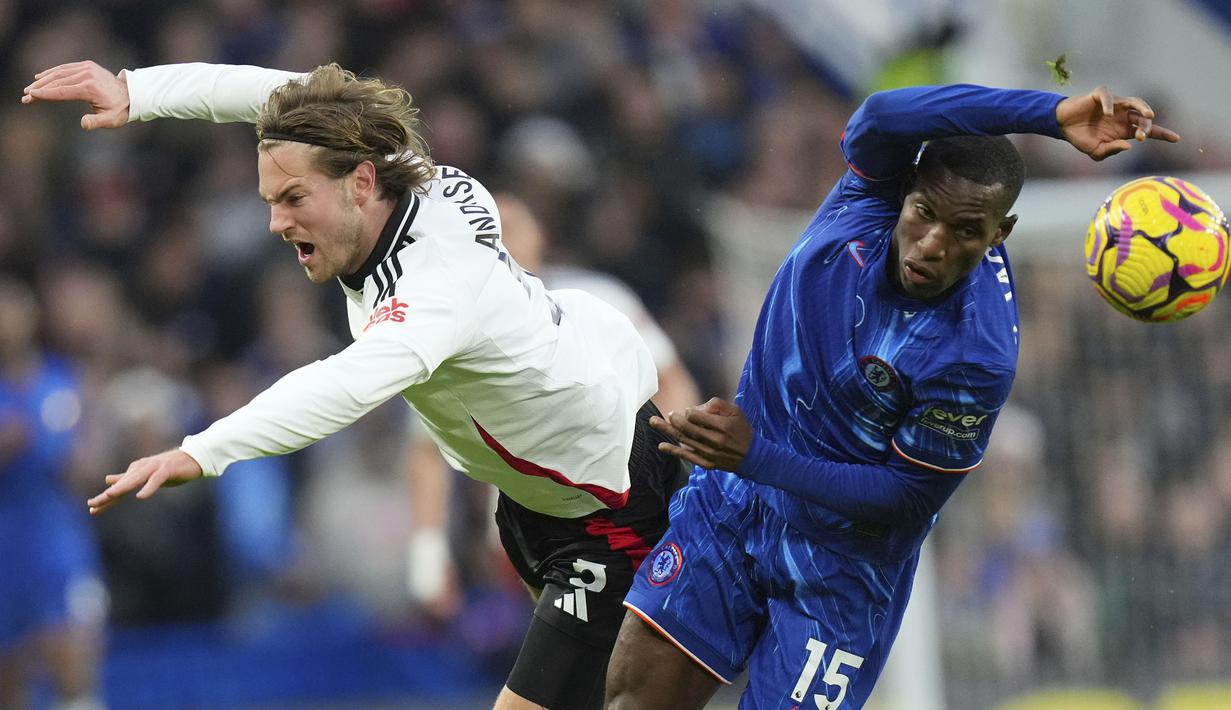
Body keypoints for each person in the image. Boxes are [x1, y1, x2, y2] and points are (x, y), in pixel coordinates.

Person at [23, 60, 685, 710]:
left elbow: (338, 387)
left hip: (608, 505)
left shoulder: (433, 288)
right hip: (539, 494)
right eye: (270, 201)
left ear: (360, 184)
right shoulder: (385, 162)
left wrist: (205, 449)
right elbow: (277, 95)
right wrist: (136, 91)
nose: (277, 224)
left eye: (292, 200)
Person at [602, 84, 1180, 708]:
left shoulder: (977, 353)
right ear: (904, 192)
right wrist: (1046, 114)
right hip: (734, 505)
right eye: (925, 213)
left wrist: (755, 457)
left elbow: (905, 497)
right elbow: (880, 115)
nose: (933, 244)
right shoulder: (867, 195)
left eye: (965, 230)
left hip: (841, 568)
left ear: (999, 233)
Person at [404, 192, 700, 615]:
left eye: (511, 230)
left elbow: (671, 382)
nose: (499, 243)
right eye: (485, 234)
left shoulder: (596, 297)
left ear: (541, 235)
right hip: (529, 532)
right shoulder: (452, 335)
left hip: (626, 502)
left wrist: (671, 470)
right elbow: (426, 451)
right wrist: (428, 557)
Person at [0, 276, 107, 710]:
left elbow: (93, 466)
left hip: (59, 544)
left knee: (74, 666)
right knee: (9, 682)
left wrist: (79, 461)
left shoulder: (65, 382)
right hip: (8, 549)